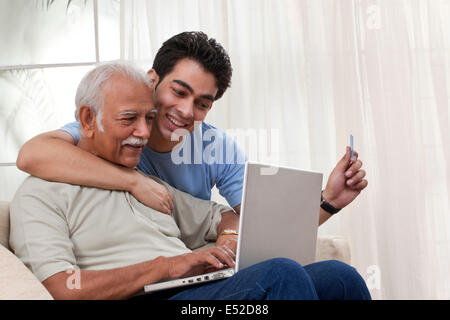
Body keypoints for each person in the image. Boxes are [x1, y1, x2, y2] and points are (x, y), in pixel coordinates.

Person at [9, 62, 371, 300]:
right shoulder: (41, 194)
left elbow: (229, 219)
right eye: (129, 119)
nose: (142, 132)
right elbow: (62, 287)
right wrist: (168, 266)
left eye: (148, 118)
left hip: (197, 294)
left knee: (339, 278)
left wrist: (326, 201)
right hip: (149, 295)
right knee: (280, 276)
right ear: (88, 120)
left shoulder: (148, 182)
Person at [16, 31, 368, 227]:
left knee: (339, 277)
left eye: (202, 102)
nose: (186, 111)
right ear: (152, 79)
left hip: (192, 263)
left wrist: (329, 201)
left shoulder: (214, 146)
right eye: (178, 92)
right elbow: (32, 154)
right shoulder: (113, 131)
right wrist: (133, 180)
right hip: (145, 269)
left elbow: (265, 229)